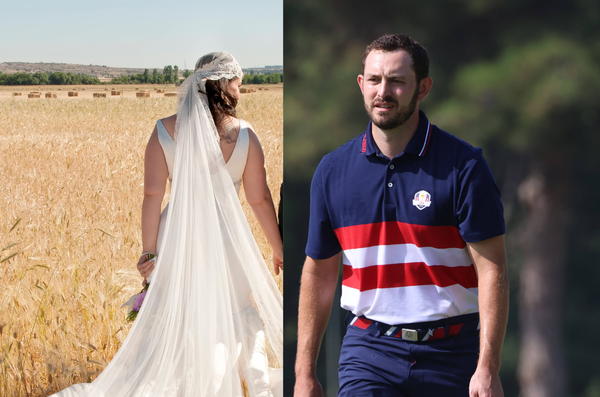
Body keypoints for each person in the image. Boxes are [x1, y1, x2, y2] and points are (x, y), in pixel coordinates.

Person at [51, 52, 283, 397]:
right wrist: (278, 247)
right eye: (237, 83)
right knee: (236, 313)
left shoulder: (164, 130)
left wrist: (150, 252)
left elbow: (151, 195)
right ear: (224, 85)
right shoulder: (245, 134)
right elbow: (260, 198)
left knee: (181, 316)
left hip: (177, 237)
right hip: (229, 240)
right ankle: (253, 386)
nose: (239, 90)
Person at [294, 34, 508, 397]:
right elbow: (319, 273)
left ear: (422, 88)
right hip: (368, 351)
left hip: (454, 354)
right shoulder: (331, 172)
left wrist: (487, 367)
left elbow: (493, 270)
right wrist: (303, 374)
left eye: (396, 81)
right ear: (361, 84)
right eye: (375, 80)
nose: (383, 91)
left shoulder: (464, 166)